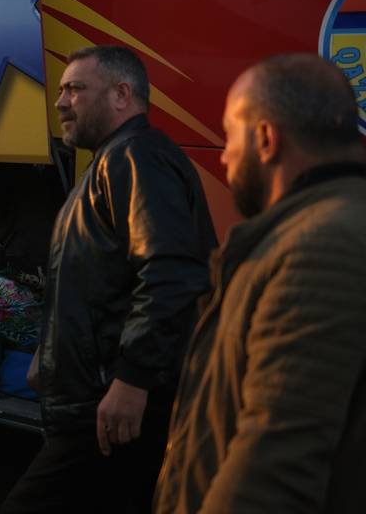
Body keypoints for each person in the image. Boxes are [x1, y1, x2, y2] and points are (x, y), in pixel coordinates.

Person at [2, 45, 217, 514]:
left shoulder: (138, 158)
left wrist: (132, 380)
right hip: (95, 406)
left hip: (107, 411)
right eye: (61, 90)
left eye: (75, 89)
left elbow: (171, 274)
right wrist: (49, 350)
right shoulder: (110, 162)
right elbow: (96, 284)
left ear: (122, 95)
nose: (60, 102)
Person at [154, 54, 366, 514]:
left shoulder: (322, 245)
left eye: (230, 135)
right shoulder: (315, 229)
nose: (225, 155)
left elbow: (274, 468)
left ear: (266, 139)